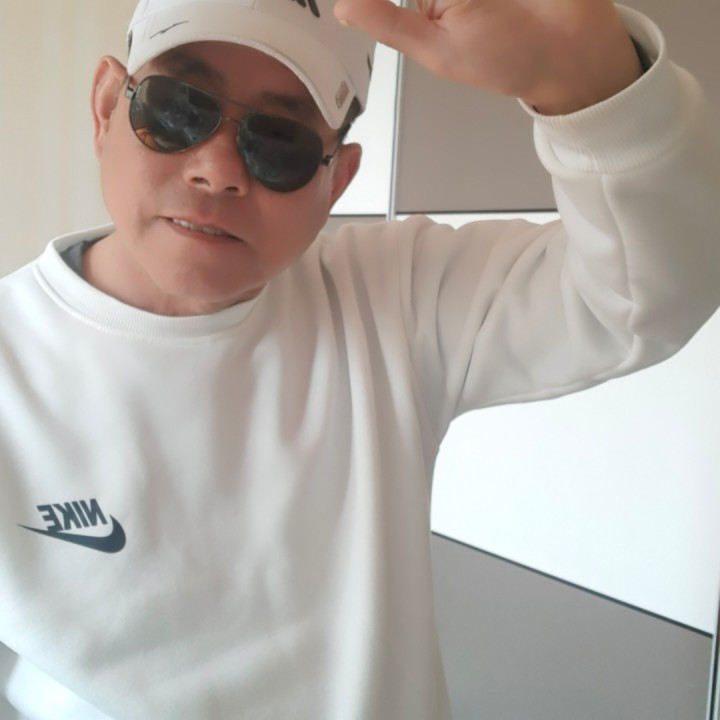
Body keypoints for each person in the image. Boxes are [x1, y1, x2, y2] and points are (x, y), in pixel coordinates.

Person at [0, 0, 718, 717]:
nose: (217, 171)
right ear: (107, 107)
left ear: (336, 183)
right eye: (179, 109)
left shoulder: (390, 297)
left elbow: (643, 296)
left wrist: (593, 90)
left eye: (278, 143)